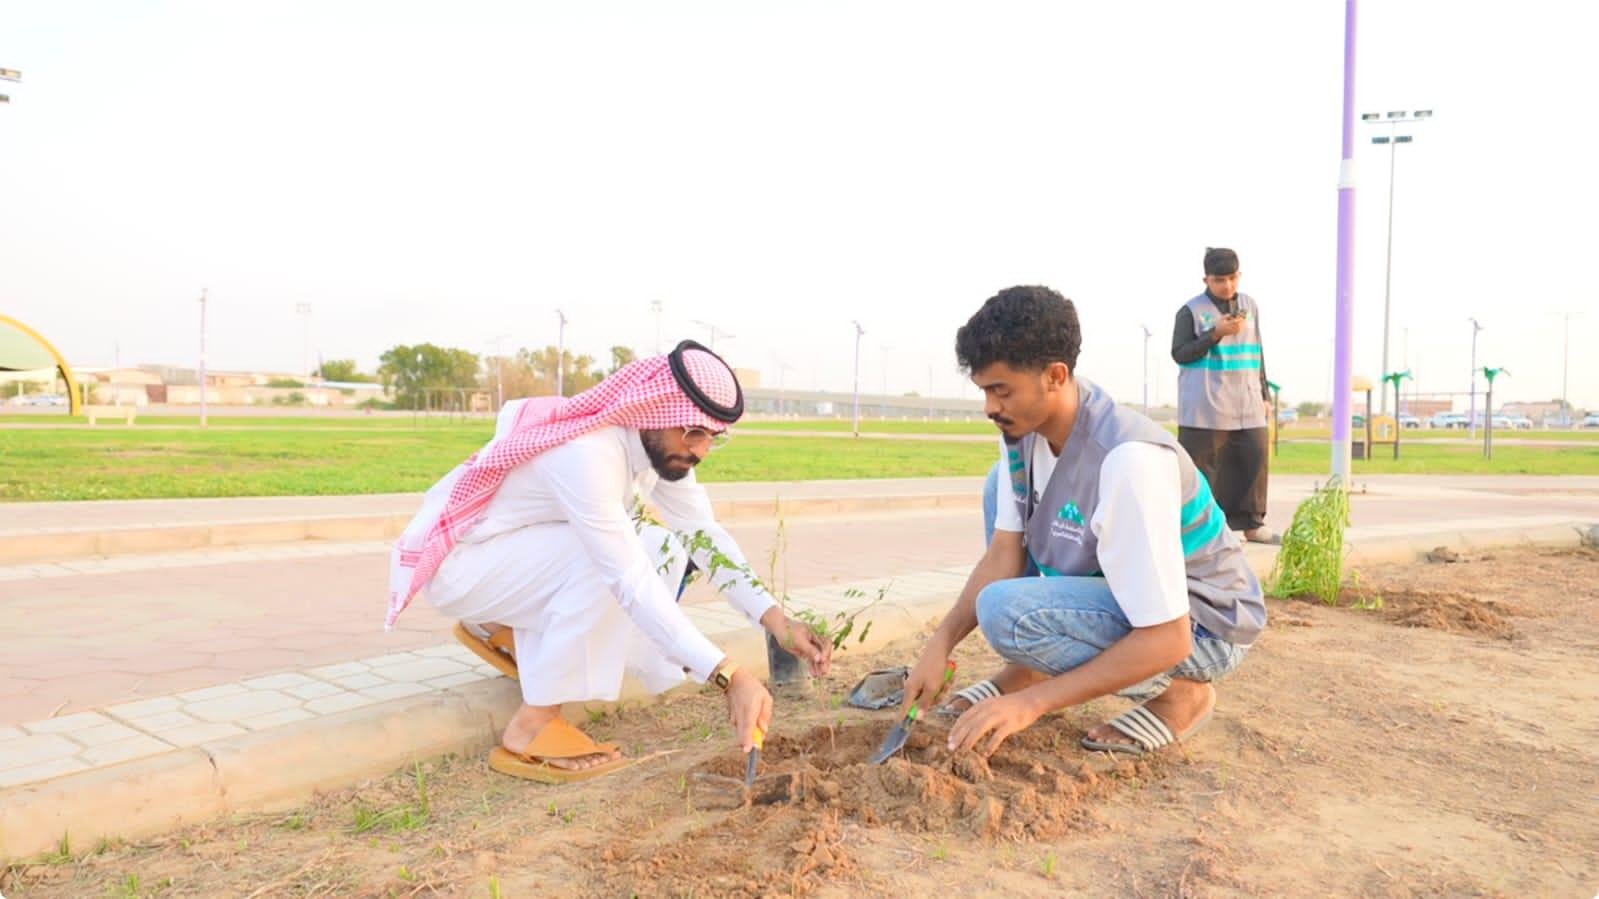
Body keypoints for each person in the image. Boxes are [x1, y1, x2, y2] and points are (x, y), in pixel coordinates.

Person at [386, 340, 831, 782]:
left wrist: (777, 621)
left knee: (665, 546)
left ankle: (514, 637)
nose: (700, 450)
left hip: (510, 558)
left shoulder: (659, 449)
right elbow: (628, 580)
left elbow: (704, 536)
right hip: (463, 566)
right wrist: (727, 675)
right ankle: (531, 725)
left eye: (712, 437)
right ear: (653, 410)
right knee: (613, 557)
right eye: (692, 432)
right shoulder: (589, 454)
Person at [902, 286, 1265, 758]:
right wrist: (940, 644)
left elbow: (1168, 636)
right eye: (985, 391)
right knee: (999, 486)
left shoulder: (1128, 462)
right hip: (1135, 603)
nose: (990, 407)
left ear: (1055, 376)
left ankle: (1184, 694)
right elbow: (1003, 555)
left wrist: (1032, 706)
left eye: (1000, 390)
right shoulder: (1024, 432)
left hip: (1202, 627)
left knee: (1006, 613)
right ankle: (1028, 667)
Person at [1171, 247, 1278, 544]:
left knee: (1253, 458)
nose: (1227, 285)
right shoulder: (1190, 311)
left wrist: (1264, 393)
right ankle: (1213, 529)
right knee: (1206, 470)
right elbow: (1180, 353)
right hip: (1206, 403)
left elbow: (1258, 351)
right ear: (1206, 279)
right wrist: (1214, 334)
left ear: (1239, 276)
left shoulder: (1250, 306)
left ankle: (1252, 523)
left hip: (1247, 399)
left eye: (1232, 278)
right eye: (1219, 279)